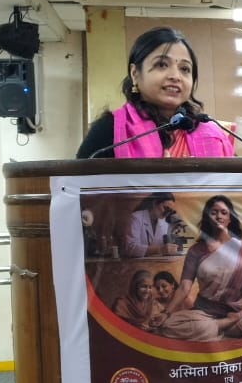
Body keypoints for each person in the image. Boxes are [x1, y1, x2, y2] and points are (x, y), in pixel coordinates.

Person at [76, 26, 233, 159]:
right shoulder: (110, 130)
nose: (175, 76)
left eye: (185, 69)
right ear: (135, 74)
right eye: (161, 65)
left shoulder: (212, 134)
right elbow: (80, 183)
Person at [158, 195, 242, 341]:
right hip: (206, 312)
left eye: (224, 213)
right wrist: (165, 313)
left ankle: (217, 328)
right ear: (207, 218)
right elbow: (184, 287)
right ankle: (228, 324)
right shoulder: (196, 251)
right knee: (167, 325)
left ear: (230, 218)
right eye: (214, 213)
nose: (219, 216)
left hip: (241, 311)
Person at [123, 192, 179, 258]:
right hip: (137, 262)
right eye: (165, 208)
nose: (167, 213)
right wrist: (160, 249)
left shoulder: (164, 222)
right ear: (154, 203)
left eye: (170, 210)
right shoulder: (136, 217)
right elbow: (130, 248)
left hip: (156, 262)